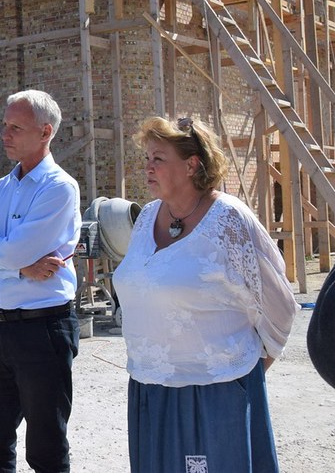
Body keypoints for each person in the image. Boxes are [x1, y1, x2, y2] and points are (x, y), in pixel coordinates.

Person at [114, 116, 297, 472]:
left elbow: (279, 305)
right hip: (151, 390)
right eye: (146, 159)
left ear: (191, 164)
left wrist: (246, 372)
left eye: (158, 159)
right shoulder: (146, 216)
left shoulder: (229, 219)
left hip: (215, 394)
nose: (147, 168)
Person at [0, 89, 81, 473]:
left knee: (46, 443)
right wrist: (18, 267)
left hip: (44, 328)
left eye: (15, 127)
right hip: (0, 328)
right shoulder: (1, 189)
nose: (5, 134)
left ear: (45, 132)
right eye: (5, 125)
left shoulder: (59, 188)